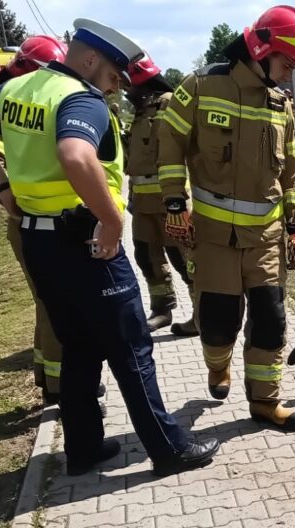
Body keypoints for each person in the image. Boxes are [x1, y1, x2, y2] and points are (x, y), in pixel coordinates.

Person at [0, 18, 219, 477]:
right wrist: (113, 221)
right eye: (115, 76)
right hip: (87, 243)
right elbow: (75, 155)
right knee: (131, 348)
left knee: (77, 347)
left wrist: (1, 191)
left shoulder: (19, 89)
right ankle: (170, 448)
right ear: (90, 59)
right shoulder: (80, 98)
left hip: (40, 241)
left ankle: (84, 448)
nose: (116, 88)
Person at [158, 5, 295, 432]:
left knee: (270, 319)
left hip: (264, 238)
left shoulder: (280, 105)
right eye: (287, 63)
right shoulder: (201, 86)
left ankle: (265, 403)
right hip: (212, 236)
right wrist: (175, 202)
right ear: (262, 50)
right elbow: (169, 142)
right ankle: (217, 366)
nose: (289, 74)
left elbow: (291, 172)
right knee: (220, 321)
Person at [0, 36, 70, 403]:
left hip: (35, 219)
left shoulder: (7, 101)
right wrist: (3, 190)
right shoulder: (16, 100)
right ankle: (61, 387)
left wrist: (1, 189)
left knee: (45, 300)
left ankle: (45, 373)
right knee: (55, 302)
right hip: (37, 222)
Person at [125, 55, 197, 336]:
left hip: (169, 200)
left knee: (184, 259)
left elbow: (177, 148)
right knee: (146, 256)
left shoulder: (168, 103)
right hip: (142, 202)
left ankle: (201, 315)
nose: (126, 91)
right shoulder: (142, 111)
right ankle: (162, 309)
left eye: (129, 85)